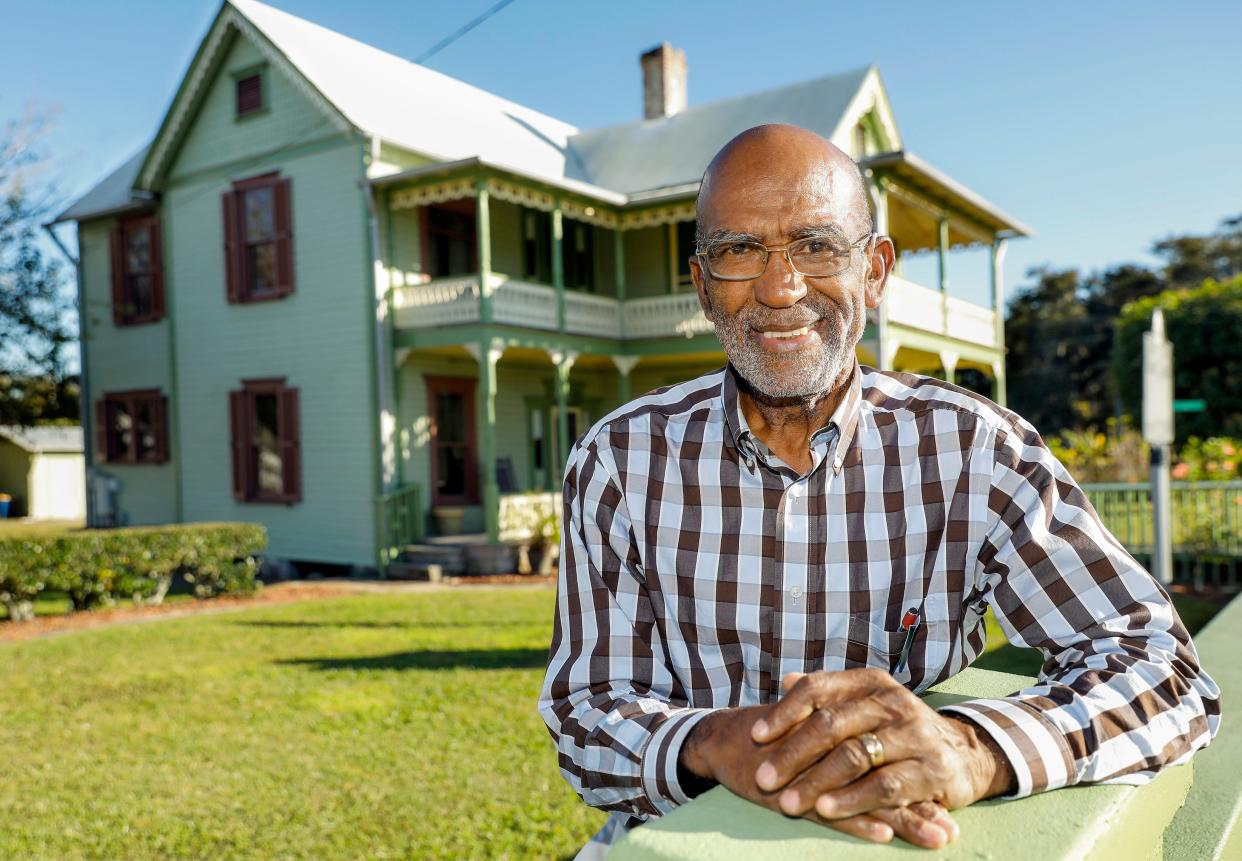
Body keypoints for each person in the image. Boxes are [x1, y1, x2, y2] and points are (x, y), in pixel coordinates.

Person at [537, 123, 1221, 859]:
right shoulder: (619, 458)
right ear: (703, 285)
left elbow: (1163, 669)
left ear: (875, 269)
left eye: (818, 245)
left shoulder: (976, 449)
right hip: (674, 841)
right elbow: (587, 711)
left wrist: (971, 749)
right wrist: (708, 741)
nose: (781, 287)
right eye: (739, 251)